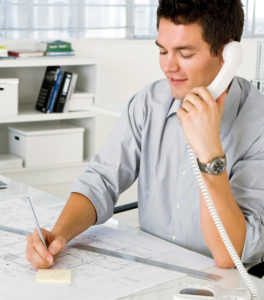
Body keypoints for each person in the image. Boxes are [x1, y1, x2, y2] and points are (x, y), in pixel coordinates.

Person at [26, 0, 264, 269]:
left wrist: (209, 153)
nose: (168, 67)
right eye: (163, 51)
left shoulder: (258, 125)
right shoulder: (149, 103)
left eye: (184, 54)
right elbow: (101, 180)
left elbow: (229, 254)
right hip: (154, 271)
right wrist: (58, 235)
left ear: (227, 54)